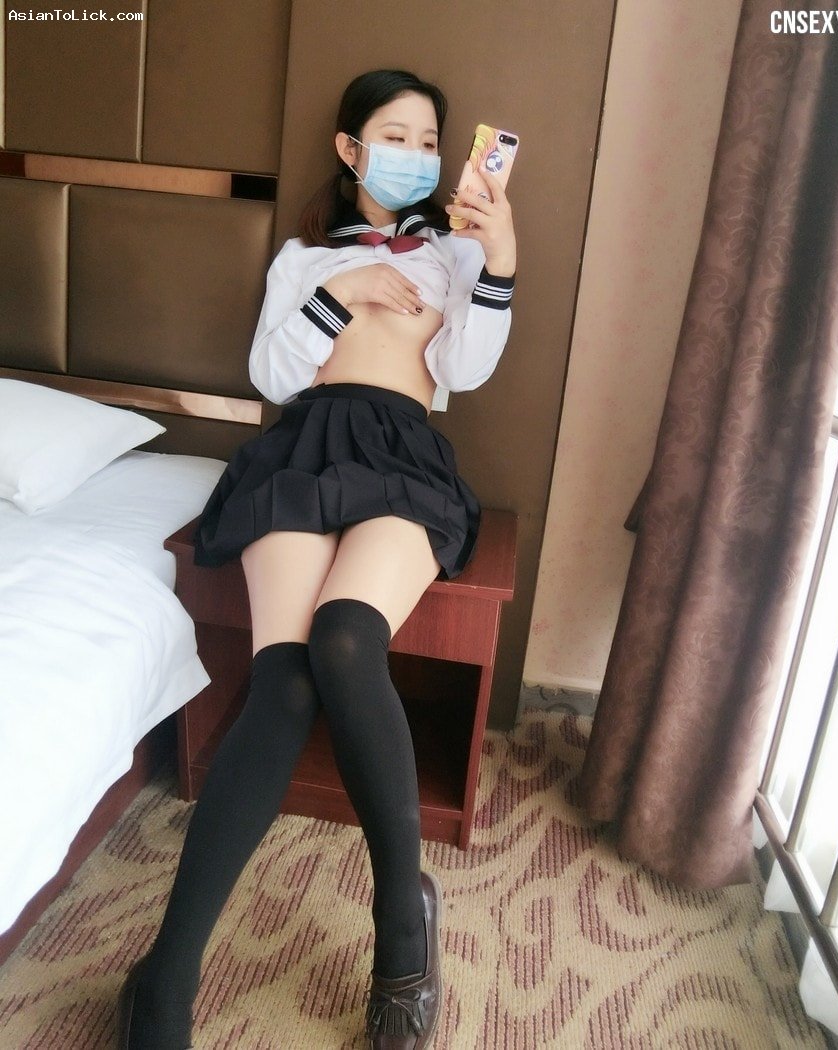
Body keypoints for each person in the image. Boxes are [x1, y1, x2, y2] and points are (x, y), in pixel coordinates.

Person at [116, 68, 516, 1050]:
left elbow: (464, 369)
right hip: (301, 451)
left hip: (404, 455)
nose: (415, 155)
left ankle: (401, 926)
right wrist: (341, 294)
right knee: (284, 682)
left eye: (429, 141)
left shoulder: (454, 255)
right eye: (395, 135)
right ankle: (167, 972)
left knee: (344, 638)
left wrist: (498, 255)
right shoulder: (302, 260)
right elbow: (271, 374)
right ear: (350, 148)